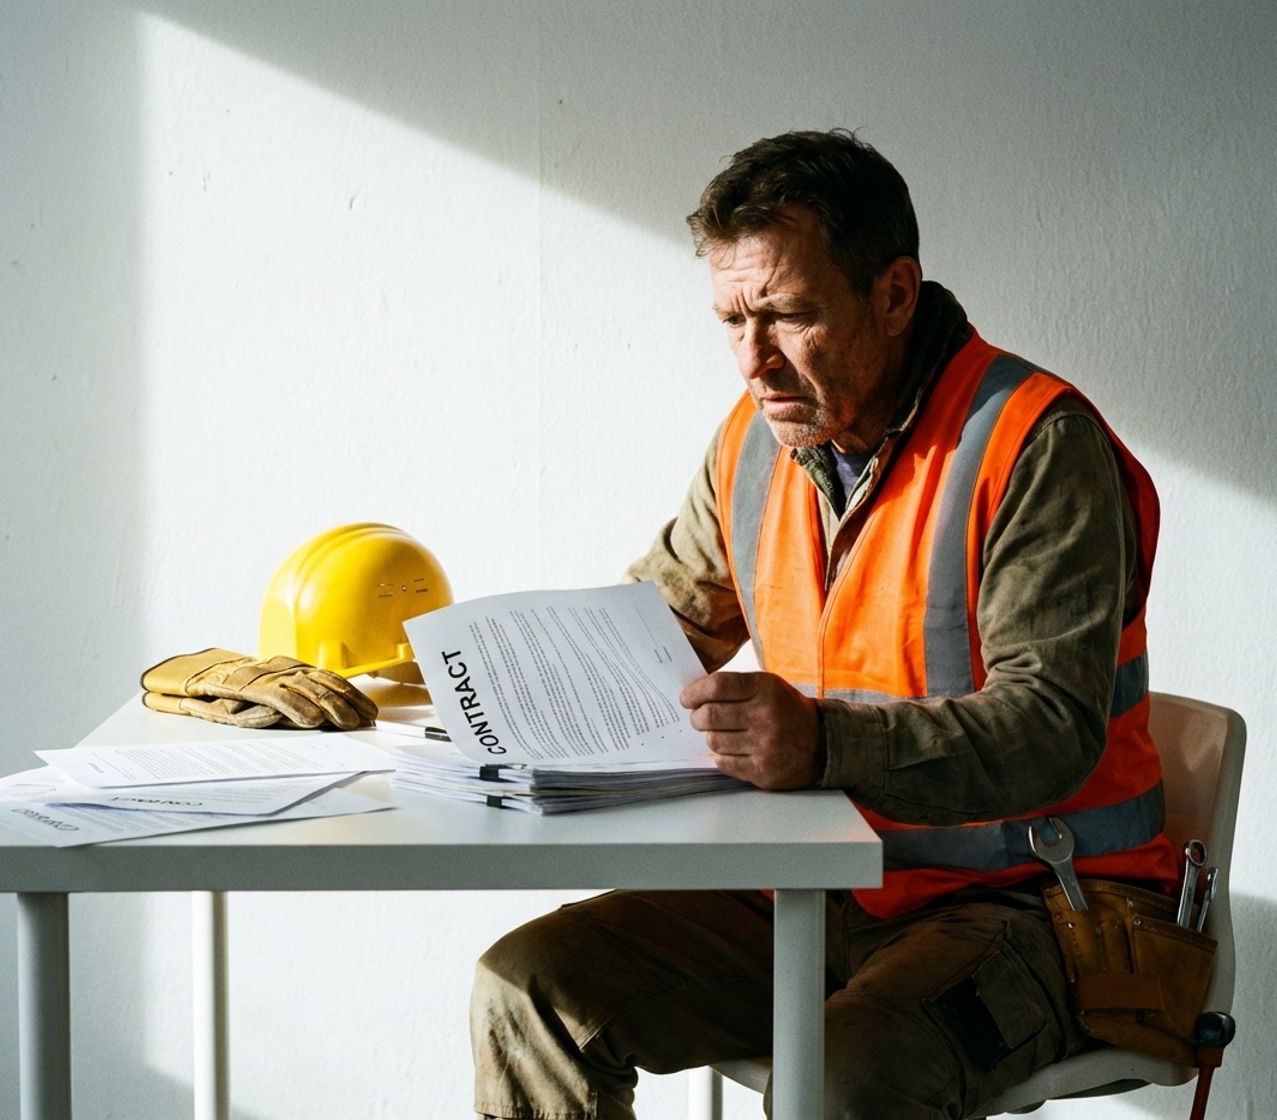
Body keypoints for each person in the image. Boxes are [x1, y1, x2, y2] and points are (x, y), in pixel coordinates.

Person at [469, 128, 1176, 1119]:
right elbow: (655, 631)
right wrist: (459, 690)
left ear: (894, 295)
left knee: (840, 1082)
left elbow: (1050, 730)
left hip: (1032, 911)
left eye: (787, 315)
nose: (753, 361)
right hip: (810, 891)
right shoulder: (755, 440)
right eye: (730, 320)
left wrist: (821, 743)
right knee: (529, 991)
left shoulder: (1034, 446)